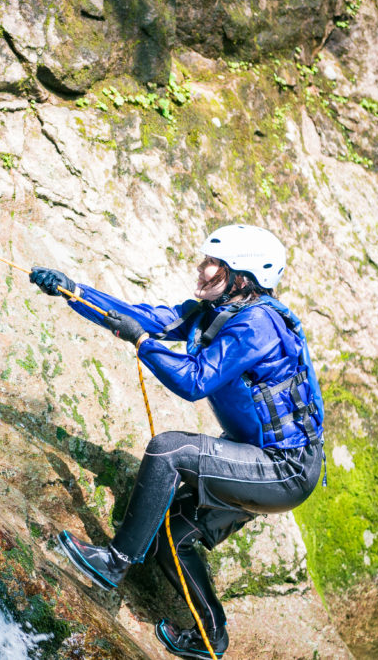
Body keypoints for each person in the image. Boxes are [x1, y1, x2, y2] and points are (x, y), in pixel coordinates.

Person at [30, 224, 325, 660]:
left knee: (171, 449)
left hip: (284, 469)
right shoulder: (214, 310)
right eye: (205, 260)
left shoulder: (258, 324)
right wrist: (73, 292)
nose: (202, 270)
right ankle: (210, 637)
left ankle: (115, 561)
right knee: (173, 532)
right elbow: (143, 318)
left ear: (241, 278)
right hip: (259, 461)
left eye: (215, 265)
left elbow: (195, 380)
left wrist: (143, 344)